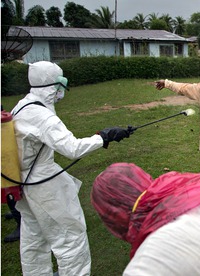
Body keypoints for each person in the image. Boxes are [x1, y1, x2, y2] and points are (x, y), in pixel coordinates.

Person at [11, 61, 130, 276]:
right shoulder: (43, 117)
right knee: (71, 239)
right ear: (52, 86)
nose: (61, 91)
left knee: (34, 240)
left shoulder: (21, 106)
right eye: (60, 85)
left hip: (22, 182)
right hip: (42, 183)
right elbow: (72, 148)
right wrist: (103, 137)